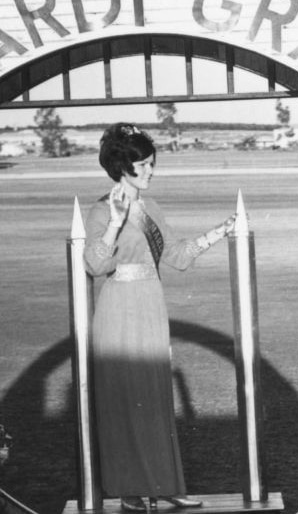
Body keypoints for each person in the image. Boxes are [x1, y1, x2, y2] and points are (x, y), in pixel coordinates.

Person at [83, 123, 236, 512]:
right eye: (144, 165)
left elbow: (178, 257)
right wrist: (116, 221)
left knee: (155, 397)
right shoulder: (101, 210)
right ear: (122, 165)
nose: (151, 171)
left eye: (152, 164)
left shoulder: (151, 208)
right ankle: (131, 491)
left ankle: (165, 483)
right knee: (124, 400)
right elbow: (94, 265)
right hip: (118, 309)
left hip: (151, 305)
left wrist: (220, 232)